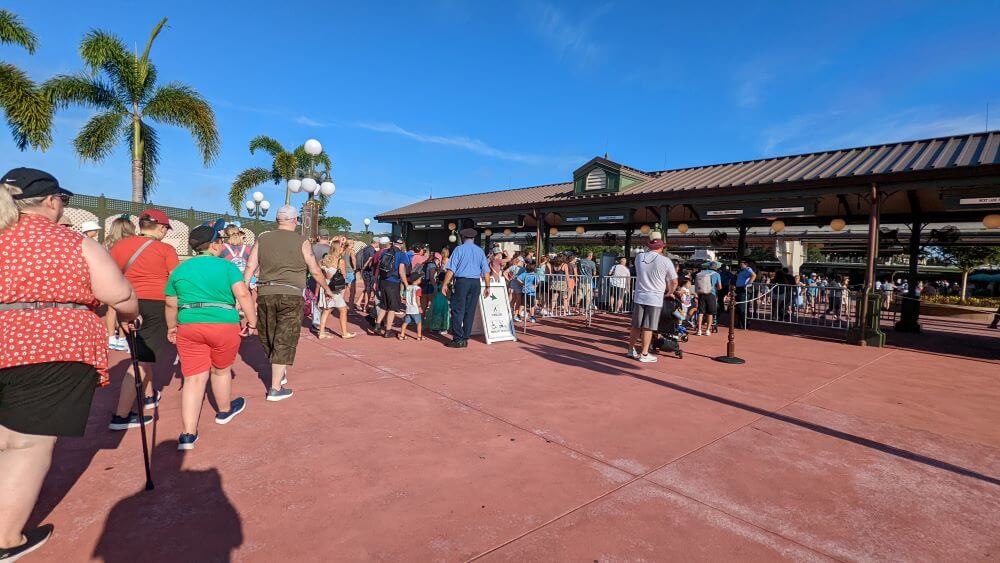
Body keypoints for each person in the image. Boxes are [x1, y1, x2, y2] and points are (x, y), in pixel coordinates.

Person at [0, 168, 139, 560]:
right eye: (61, 199)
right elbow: (118, 292)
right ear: (49, 201)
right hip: (48, 344)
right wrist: (128, 313)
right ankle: (6, 537)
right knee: (26, 443)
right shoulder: (69, 241)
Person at [164, 220, 256, 450]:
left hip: (189, 323)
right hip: (224, 324)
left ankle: (188, 433)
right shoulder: (227, 267)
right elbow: (243, 295)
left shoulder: (180, 270)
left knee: (193, 379)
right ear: (214, 245)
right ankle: (224, 411)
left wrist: (171, 327)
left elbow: (170, 304)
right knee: (221, 370)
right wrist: (252, 321)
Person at [242, 205, 333, 402]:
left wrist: (244, 288)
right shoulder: (302, 241)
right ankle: (275, 388)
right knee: (284, 337)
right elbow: (315, 269)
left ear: (277, 220)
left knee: (269, 334)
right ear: (295, 221)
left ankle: (278, 370)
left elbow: (250, 265)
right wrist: (326, 288)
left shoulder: (263, 238)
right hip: (291, 294)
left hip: (266, 293)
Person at [108, 208, 179, 430]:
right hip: (155, 305)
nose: (166, 232)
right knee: (140, 361)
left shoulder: (120, 247)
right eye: (166, 228)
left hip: (128, 303)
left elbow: (111, 275)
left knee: (141, 353)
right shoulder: (165, 249)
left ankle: (148, 396)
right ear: (160, 227)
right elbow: (175, 280)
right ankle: (121, 415)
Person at [627, 240, 678, 363]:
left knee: (636, 325)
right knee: (648, 327)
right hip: (654, 297)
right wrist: (670, 292)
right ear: (661, 248)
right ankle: (644, 353)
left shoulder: (639, 258)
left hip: (640, 295)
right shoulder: (665, 261)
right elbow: (674, 281)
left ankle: (631, 349)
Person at [440, 228, 490, 348]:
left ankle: (458, 339)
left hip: (462, 282)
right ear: (473, 238)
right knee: (470, 311)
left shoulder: (459, 249)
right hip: (475, 283)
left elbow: (451, 269)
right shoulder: (479, 251)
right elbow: (486, 271)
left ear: (462, 238)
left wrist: (445, 284)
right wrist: (488, 286)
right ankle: (465, 337)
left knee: (458, 309)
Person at [103, 216, 137, 352]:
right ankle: (123, 338)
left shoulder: (107, 242)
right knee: (126, 308)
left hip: (110, 276)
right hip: (126, 276)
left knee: (111, 308)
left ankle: (111, 337)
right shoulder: (131, 243)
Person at [374, 238, 411, 338]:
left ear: (392, 243)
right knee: (392, 307)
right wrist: (406, 284)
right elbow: (401, 271)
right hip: (393, 283)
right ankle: (388, 330)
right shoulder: (402, 254)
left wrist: (376, 281)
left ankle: (377, 325)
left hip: (383, 280)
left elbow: (378, 267)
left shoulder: (385, 251)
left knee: (383, 305)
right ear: (402, 244)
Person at [317, 246, 355, 339]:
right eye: (341, 248)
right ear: (338, 249)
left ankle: (321, 332)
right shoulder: (340, 261)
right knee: (343, 309)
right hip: (334, 289)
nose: (343, 249)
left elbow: (319, 271)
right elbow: (344, 275)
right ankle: (344, 332)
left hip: (325, 285)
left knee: (327, 310)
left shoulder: (324, 259)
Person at [694, 261, 722, 336]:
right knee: (710, 313)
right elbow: (720, 287)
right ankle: (707, 330)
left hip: (701, 294)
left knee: (700, 312)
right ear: (716, 268)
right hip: (711, 294)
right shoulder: (717, 274)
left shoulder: (702, 273)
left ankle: (699, 329)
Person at [398, 272, 424, 341]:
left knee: (405, 322)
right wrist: (419, 307)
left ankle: (402, 335)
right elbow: (417, 298)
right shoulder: (418, 288)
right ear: (416, 280)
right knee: (419, 323)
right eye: (420, 279)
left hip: (408, 308)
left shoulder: (408, 287)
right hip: (415, 309)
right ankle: (419, 336)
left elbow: (404, 296)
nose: (420, 280)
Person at [734, 259, 757, 328]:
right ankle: (741, 323)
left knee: (742, 307)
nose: (740, 264)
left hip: (743, 290)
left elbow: (753, 275)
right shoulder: (741, 270)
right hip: (739, 289)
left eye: (742, 263)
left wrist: (748, 284)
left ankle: (744, 324)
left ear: (746, 264)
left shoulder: (748, 269)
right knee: (739, 307)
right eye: (740, 263)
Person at [357, 238, 378, 312]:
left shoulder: (366, 248)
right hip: (369, 271)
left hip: (365, 271)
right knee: (369, 289)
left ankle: (358, 302)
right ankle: (366, 307)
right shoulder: (372, 250)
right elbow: (370, 259)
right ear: (376, 242)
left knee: (367, 288)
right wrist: (364, 267)